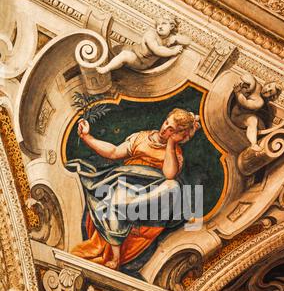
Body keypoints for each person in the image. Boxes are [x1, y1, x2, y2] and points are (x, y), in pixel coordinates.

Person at [68, 108, 200, 270]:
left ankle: (127, 208)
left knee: (173, 186)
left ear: (179, 135)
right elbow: (114, 152)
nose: (165, 129)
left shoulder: (174, 152)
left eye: (171, 130)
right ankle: (116, 258)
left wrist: (171, 144)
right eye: (167, 123)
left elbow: (169, 173)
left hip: (150, 193)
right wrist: (87, 137)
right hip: (128, 182)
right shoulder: (142, 137)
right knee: (118, 195)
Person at [96, 15, 190, 74]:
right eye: (158, 24)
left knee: (125, 55)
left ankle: (106, 69)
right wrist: (173, 51)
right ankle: (106, 66)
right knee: (119, 53)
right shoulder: (151, 34)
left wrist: (176, 38)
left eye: (164, 24)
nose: (160, 26)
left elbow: (188, 41)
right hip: (131, 51)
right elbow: (157, 50)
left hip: (139, 61)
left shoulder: (170, 38)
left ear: (172, 26)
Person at [231, 73, 281, 151]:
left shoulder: (259, 102)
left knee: (253, 120)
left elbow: (245, 103)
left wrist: (237, 92)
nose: (267, 90)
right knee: (253, 119)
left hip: (239, 118)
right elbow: (247, 76)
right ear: (266, 83)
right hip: (236, 115)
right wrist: (250, 83)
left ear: (271, 97)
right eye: (268, 86)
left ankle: (253, 144)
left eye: (270, 92)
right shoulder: (257, 86)